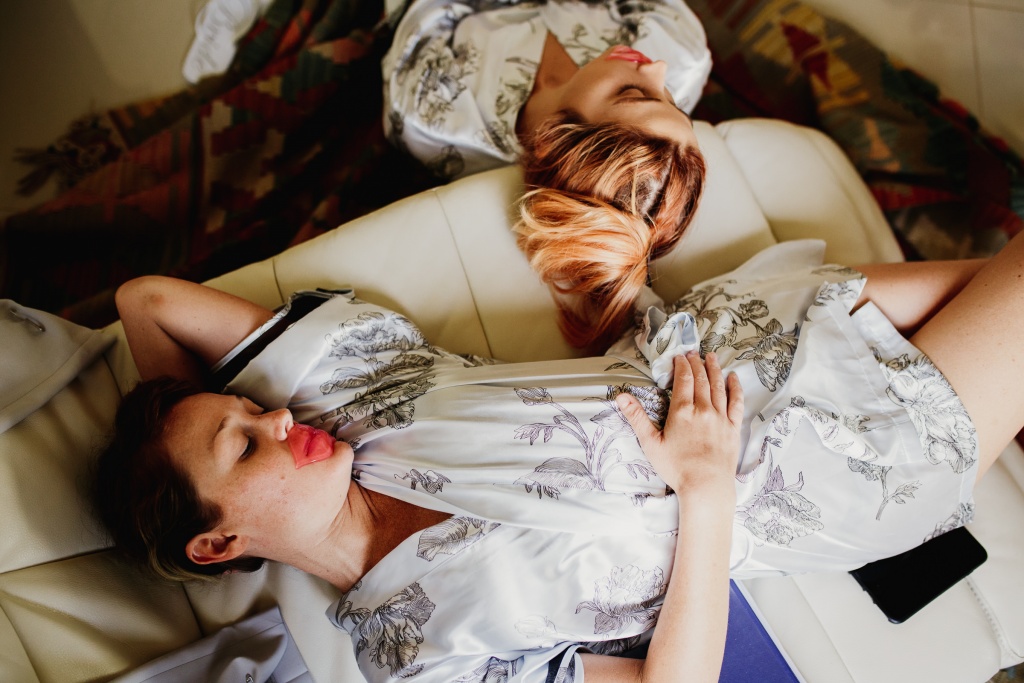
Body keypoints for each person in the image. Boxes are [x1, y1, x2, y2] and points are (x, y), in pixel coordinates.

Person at [95, 215, 1024, 682]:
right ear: (216, 543)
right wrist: (705, 490)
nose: (272, 420)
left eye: (248, 409)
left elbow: (147, 300)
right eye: (243, 446)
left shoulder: (343, 398)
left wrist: (188, 425)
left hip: (753, 331)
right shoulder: (420, 655)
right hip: (829, 465)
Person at [383, 0, 711, 349]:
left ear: (558, 139)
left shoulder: (430, 113)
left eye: (631, 93)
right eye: (676, 105)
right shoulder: (683, 53)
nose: (658, 69)